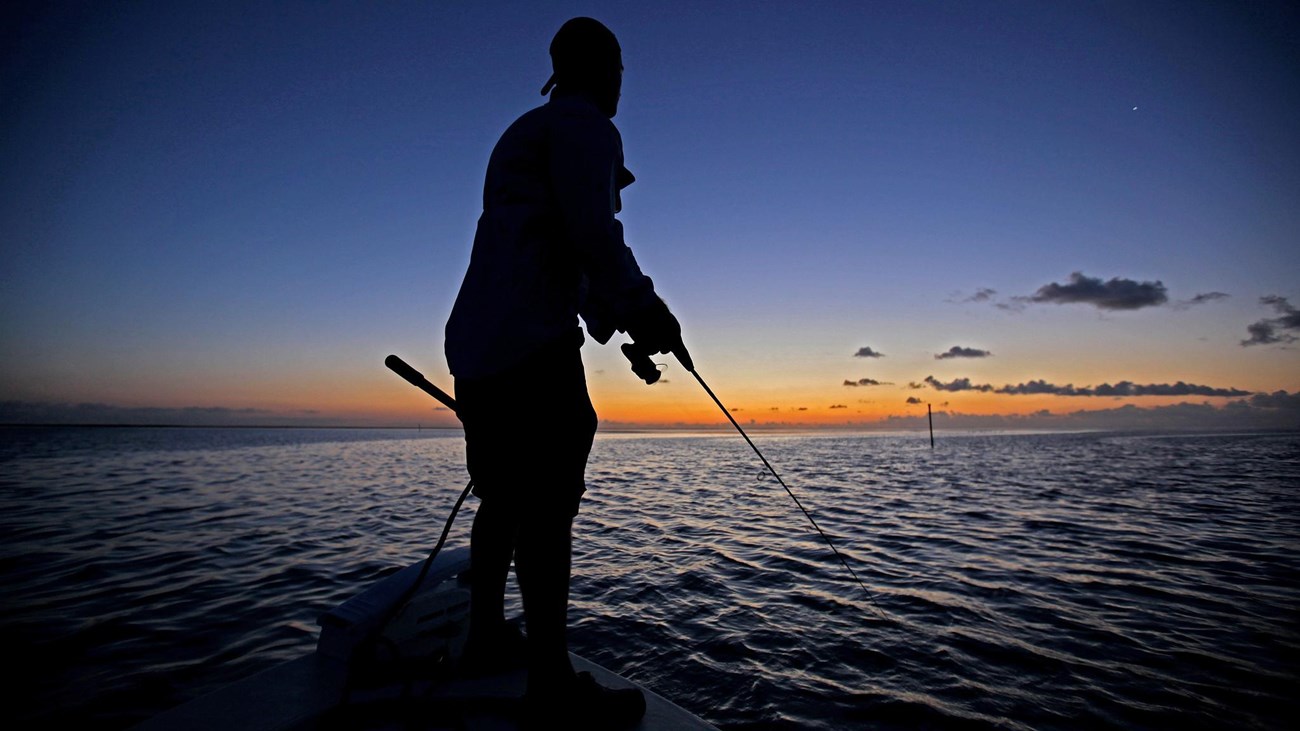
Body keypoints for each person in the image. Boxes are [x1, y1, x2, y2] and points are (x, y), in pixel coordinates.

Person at [443, 16, 690, 727]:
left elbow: (558, 256)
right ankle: (550, 684)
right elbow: (593, 235)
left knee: (502, 498)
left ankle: (485, 638)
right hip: (528, 344)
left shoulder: (527, 134)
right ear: (604, 68)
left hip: (479, 344)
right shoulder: (588, 128)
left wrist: (617, 327)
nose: (621, 81)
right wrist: (652, 315)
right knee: (546, 506)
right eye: (618, 68)